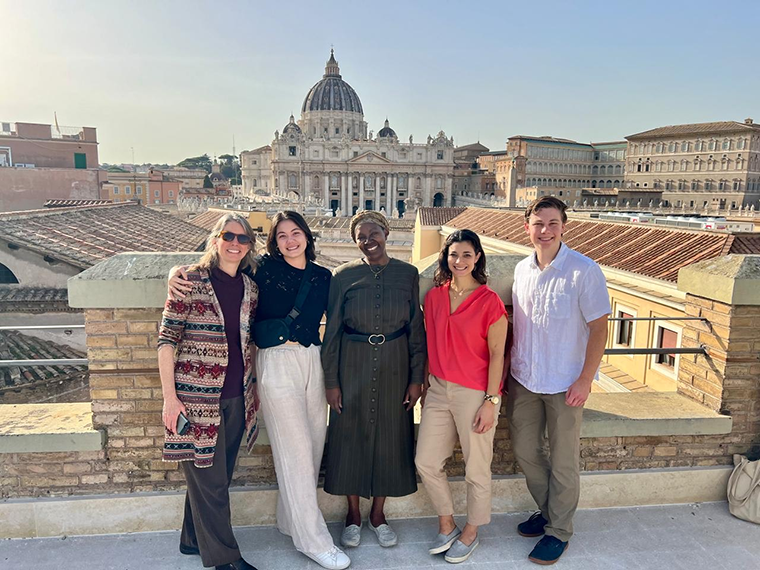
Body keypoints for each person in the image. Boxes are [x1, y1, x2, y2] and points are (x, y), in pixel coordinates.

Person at [169, 211, 350, 570]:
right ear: (273, 242)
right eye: (281, 235)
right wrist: (172, 274)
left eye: (296, 233)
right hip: (275, 362)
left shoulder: (323, 276)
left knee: (313, 446)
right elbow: (214, 265)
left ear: (308, 237)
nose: (290, 240)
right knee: (295, 451)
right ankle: (314, 541)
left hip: (313, 361)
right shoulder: (261, 270)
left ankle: (289, 521)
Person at [508, 196, 610, 565]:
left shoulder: (584, 270)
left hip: (567, 382)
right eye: (538, 223)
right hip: (524, 378)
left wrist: (585, 379)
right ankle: (549, 511)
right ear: (527, 228)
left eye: (552, 223)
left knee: (564, 461)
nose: (545, 230)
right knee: (525, 451)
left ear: (564, 226)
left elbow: (599, 329)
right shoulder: (521, 270)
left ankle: (559, 530)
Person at [158, 214, 260, 570]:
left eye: (243, 238)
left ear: (249, 246)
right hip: (196, 400)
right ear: (215, 239)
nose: (235, 243)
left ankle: (191, 540)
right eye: (228, 235)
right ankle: (225, 559)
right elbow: (166, 340)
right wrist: (171, 401)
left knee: (215, 477)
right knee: (211, 481)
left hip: (237, 398)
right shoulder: (190, 281)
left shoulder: (250, 286)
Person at [321, 210, 426, 549]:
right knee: (349, 435)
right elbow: (332, 332)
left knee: (391, 436)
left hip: (396, 362)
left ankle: (378, 514)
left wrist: (416, 379)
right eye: (361, 237)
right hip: (352, 362)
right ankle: (353, 515)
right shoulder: (342, 276)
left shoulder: (407, 273)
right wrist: (331, 382)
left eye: (374, 233)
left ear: (386, 232)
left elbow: (416, 329)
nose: (368, 241)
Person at [415, 229, 508, 564]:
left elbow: (498, 354)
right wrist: (426, 385)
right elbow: (429, 342)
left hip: (475, 393)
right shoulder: (435, 297)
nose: (460, 261)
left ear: (478, 258)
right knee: (425, 461)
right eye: (454, 255)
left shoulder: (489, 301)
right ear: (446, 257)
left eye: (467, 255)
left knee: (477, 467)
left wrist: (491, 401)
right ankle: (446, 522)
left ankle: (471, 531)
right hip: (438, 388)